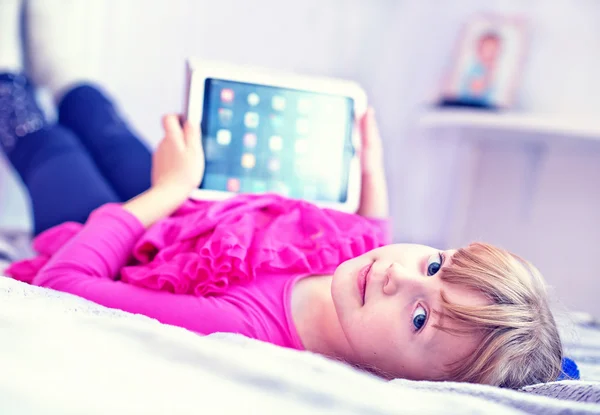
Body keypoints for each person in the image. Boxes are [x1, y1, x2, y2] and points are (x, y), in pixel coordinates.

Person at [0, 0, 563, 388]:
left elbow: (66, 285)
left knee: (51, 150)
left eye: (420, 318)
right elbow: (375, 232)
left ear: (403, 382)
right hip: (186, 217)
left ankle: (8, 78)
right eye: (437, 264)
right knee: (106, 126)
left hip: (107, 244)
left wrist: (171, 188)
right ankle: (69, 77)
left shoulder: (247, 327)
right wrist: (371, 165)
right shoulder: (365, 270)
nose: (400, 275)